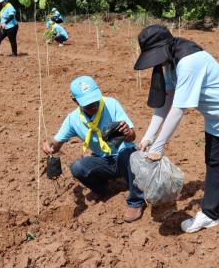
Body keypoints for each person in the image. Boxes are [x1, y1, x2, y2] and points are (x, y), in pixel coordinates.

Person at [134, 24, 219, 235]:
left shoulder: (188, 61)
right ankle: (209, 214)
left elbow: (179, 109)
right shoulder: (170, 63)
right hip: (214, 117)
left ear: (163, 48)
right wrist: (148, 138)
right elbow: (166, 102)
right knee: (215, 164)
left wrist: (159, 147)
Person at [42, 75, 145, 222]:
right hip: (103, 160)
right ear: (75, 101)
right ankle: (101, 189)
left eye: (95, 101)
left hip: (126, 158)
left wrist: (128, 133)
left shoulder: (111, 104)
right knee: (78, 167)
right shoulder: (73, 120)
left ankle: (136, 201)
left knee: (127, 154)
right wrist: (49, 146)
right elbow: (56, 144)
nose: (94, 106)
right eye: (88, 104)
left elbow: (132, 137)